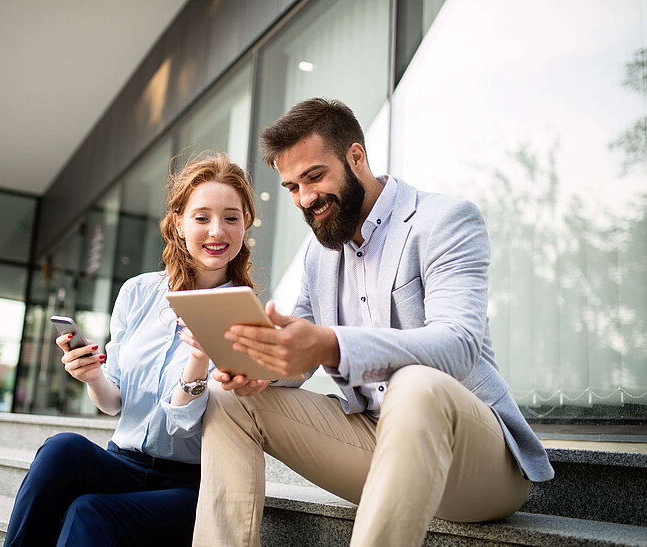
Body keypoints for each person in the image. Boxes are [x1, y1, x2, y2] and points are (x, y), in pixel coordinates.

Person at [191, 99, 555, 546]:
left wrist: (329, 345)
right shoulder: (317, 254)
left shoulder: (444, 220)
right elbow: (299, 357)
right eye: (291, 187)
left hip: (476, 465)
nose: (305, 198)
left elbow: (459, 345)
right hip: (376, 445)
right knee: (225, 398)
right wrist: (258, 367)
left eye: (315, 177)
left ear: (356, 157)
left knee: (416, 384)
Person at [3, 153, 257, 546]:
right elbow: (114, 402)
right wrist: (92, 376)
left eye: (231, 217)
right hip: (123, 460)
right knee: (61, 449)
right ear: (179, 222)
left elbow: (181, 426)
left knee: (87, 511)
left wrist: (198, 358)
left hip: (191, 484)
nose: (216, 231)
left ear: (246, 224)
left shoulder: (244, 315)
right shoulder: (138, 292)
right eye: (202, 217)